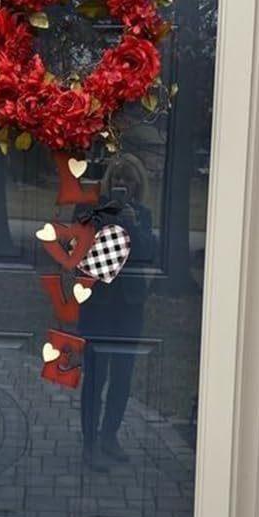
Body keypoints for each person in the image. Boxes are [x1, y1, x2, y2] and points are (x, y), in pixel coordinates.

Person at [78, 153, 156, 472]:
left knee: (122, 378)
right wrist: (112, 220)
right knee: (95, 379)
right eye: (118, 179)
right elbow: (88, 256)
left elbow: (149, 254)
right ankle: (90, 445)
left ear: (138, 185)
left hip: (129, 306)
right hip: (98, 307)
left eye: (129, 180)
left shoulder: (143, 215)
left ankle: (110, 436)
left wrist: (134, 225)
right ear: (110, 181)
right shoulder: (92, 210)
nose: (123, 185)